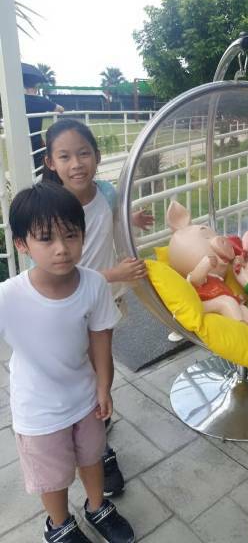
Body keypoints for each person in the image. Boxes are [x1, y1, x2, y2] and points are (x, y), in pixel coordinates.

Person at [3, 182, 135, 543]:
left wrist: (104, 386)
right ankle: (59, 523)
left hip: (85, 398)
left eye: (71, 235)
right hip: (38, 410)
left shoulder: (93, 284)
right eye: (46, 239)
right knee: (53, 475)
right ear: (21, 243)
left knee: (92, 456)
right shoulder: (9, 297)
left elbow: (101, 336)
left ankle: (97, 506)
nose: (62, 248)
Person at [42, 118, 153, 497]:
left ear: (97, 156)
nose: (77, 164)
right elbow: (61, 272)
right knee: (80, 374)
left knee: (100, 369)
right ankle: (91, 447)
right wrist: (116, 272)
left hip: (104, 301)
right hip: (68, 306)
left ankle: (97, 430)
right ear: (51, 162)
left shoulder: (105, 192)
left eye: (83, 153)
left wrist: (130, 218)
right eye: (65, 156)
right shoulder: (52, 208)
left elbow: (109, 216)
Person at [23, 75, 64, 170]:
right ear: (36, 87)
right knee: (37, 167)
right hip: (35, 139)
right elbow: (61, 109)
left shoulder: (17, 101)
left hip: (19, 140)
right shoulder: (41, 100)